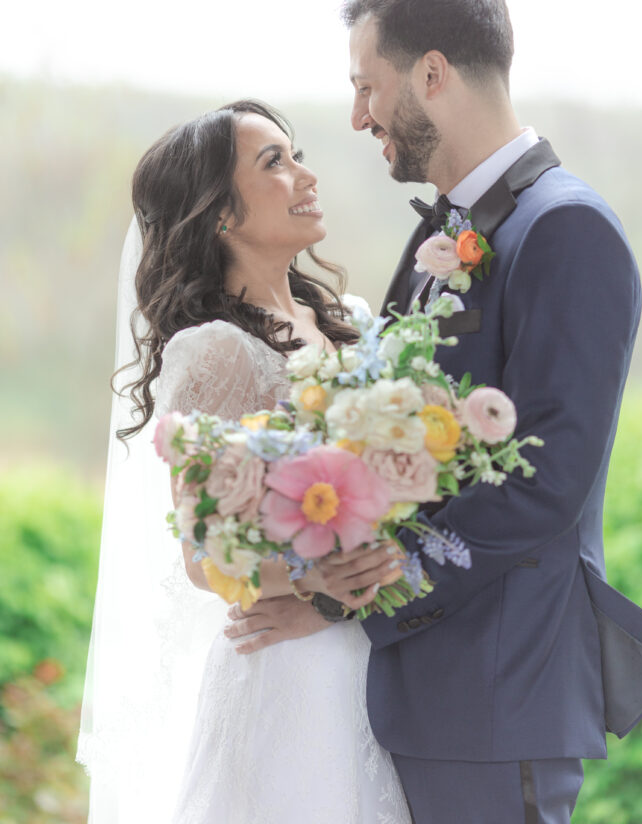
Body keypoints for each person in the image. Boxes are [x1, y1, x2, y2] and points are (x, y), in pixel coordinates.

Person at [226, 0, 642, 823]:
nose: (358, 115)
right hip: (421, 693)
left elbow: (546, 480)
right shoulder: (448, 228)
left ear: (431, 75)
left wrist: (359, 588)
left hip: (496, 692)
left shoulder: (566, 228)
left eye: (367, 86)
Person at [78, 99, 412, 823]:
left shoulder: (350, 324)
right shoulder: (213, 352)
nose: (305, 175)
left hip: (376, 654)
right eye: (275, 163)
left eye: (295, 154)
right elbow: (203, 557)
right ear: (220, 214)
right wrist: (319, 580)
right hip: (292, 670)